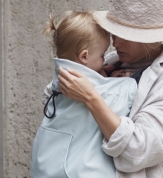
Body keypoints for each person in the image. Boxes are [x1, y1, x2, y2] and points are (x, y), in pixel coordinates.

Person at [57, 0, 163, 177]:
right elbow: (56, 103)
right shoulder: (109, 61)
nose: (116, 41)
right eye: (114, 31)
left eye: (126, 35)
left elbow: (136, 153)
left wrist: (91, 96)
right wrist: (98, 79)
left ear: (152, 38)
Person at [30, 11, 137, 178]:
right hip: (80, 172)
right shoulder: (117, 90)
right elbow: (120, 100)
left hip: (44, 166)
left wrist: (102, 77)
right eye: (102, 55)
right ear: (84, 56)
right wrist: (122, 81)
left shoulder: (56, 85)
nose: (105, 60)